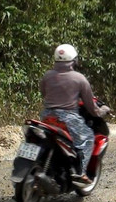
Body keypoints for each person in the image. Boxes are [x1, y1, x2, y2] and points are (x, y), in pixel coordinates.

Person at [39, 44, 110, 184]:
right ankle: (80, 173)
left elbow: (44, 93)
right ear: (74, 60)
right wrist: (103, 110)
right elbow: (92, 109)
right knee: (88, 138)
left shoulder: (47, 76)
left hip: (46, 117)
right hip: (68, 119)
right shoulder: (79, 79)